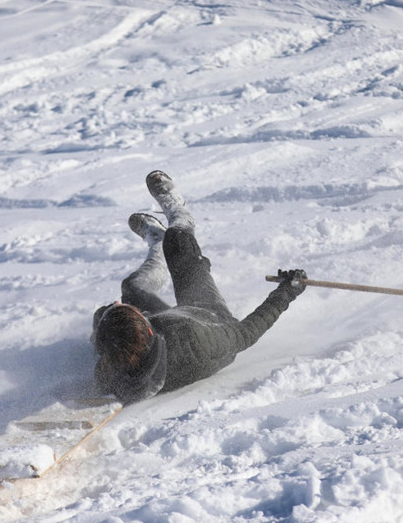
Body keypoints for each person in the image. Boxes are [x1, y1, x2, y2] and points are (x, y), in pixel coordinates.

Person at [92, 171, 307, 403]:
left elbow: (113, 342)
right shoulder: (199, 340)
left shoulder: (114, 370)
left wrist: (107, 318)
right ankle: (177, 211)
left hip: (167, 326)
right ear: (148, 325)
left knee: (130, 288)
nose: (117, 303)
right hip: (207, 313)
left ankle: (156, 241)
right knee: (177, 240)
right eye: (131, 311)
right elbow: (247, 333)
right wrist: (287, 290)